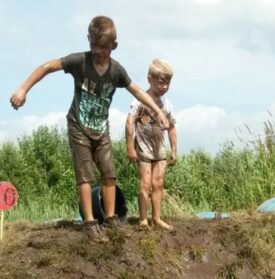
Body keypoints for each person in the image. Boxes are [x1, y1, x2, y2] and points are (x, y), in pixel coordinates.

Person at [9, 16, 170, 242]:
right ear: (88, 40)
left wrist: (158, 110)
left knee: (109, 173)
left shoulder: (116, 71)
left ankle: (111, 219)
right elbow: (47, 67)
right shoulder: (79, 62)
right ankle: (90, 223)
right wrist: (23, 89)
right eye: (94, 44)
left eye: (103, 47)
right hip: (79, 127)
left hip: (100, 130)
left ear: (113, 46)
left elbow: (136, 91)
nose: (98, 50)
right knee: (85, 176)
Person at [125, 58, 177, 231]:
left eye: (167, 84)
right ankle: (142, 219)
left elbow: (171, 127)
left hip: (159, 150)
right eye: (160, 83)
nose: (164, 87)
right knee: (145, 183)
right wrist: (130, 148)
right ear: (150, 79)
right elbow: (130, 122)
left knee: (158, 183)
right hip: (144, 149)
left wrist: (174, 150)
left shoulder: (167, 104)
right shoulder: (140, 100)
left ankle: (156, 218)